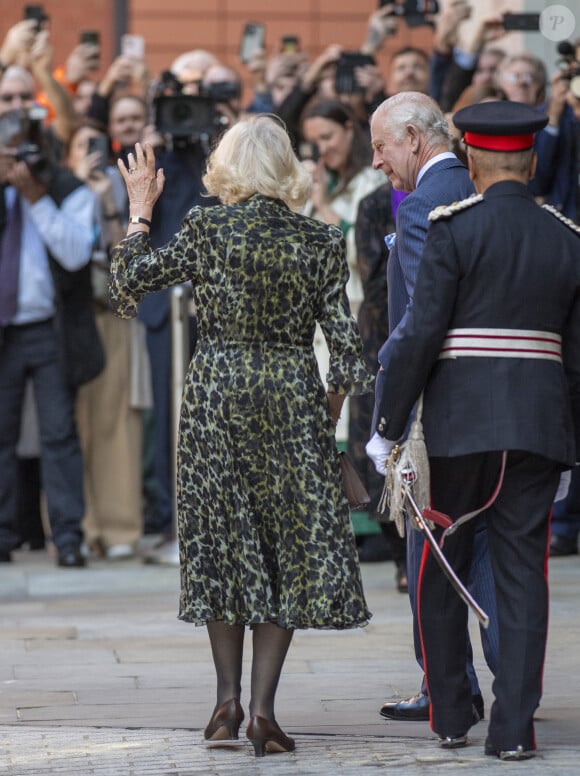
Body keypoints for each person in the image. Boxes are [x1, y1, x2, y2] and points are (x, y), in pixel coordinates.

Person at [108, 115, 373, 756]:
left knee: (222, 544)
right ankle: (262, 711)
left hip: (216, 396)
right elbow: (347, 355)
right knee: (284, 549)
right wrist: (323, 418)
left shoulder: (206, 226)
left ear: (226, 167)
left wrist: (140, 211)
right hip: (290, 397)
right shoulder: (318, 240)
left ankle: (225, 702)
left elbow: (127, 286)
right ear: (287, 168)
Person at [371, 99, 580, 758]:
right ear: (532, 160)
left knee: (439, 568)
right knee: (522, 577)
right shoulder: (566, 236)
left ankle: (453, 716)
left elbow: (420, 333)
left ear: (474, 160)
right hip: (538, 426)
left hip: (460, 427)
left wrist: (387, 422)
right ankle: (513, 730)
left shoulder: (449, 227)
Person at [366, 91, 498, 723]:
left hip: (435, 411)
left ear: (414, 139)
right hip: (493, 406)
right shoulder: (480, 188)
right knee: (492, 556)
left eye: (381, 147)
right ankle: (504, 683)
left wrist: (388, 418)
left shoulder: (422, 205)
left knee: (432, 554)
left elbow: (422, 321)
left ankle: (447, 688)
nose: (376, 163)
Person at [0, 70, 101, 567]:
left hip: (51, 328)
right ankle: (3, 538)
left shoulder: (67, 188)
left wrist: (37, 198)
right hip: (4, 329)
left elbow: (76, 254)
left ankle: (67, 539)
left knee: (60, 434)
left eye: (29, 147)